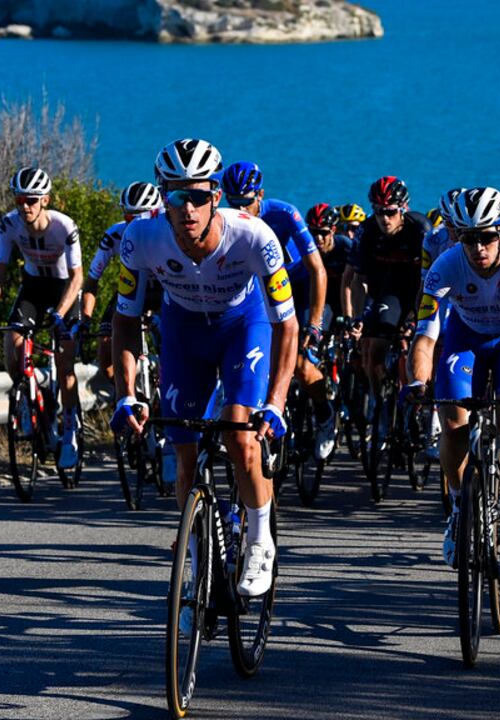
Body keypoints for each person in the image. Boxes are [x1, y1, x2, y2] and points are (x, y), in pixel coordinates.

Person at [110, 138, 297, 598]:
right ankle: (198, 564)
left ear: (217, 196)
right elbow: (125, 321)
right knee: (184, 457)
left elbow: (287, 327)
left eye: (199, 196)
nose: (188, 208)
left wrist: (275, 404)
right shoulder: (139, 239)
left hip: (242, 325)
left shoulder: (254, 236)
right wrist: (126, 393)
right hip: (183, 331)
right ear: (162, 198)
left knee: (239, 435)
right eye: (177, 196)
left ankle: (259, 540)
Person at [404, 187, 500, 589]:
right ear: (457, 236)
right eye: (468, 238)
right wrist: (418, 381)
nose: (478, 247)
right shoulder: (444, 266)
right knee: (452, 416)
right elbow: (424, 339)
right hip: (465, 338)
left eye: (487, 236)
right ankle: (459, 509)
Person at [0, 167, 84, 469]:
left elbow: (77, 278)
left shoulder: (64, 226)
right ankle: (30, 397)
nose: (25, 206)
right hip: (33, 288)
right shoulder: (9, 224)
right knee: (13, 346)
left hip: (64, 290)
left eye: (32, 200)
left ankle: (70, 429)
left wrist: (60, 315)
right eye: (20, 199)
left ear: (45, 200)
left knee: (64, 360)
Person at [220, 161, 335, 459]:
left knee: (299, 363)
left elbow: (317, 271)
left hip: (297, 285)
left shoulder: (284, 214)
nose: (240, 209)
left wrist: (314, 323)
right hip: (260, 289)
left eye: (246, 202)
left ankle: (325, 414)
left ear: (260, 195)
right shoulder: (226, 219)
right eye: (234, 202)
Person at [342, 177, 431, 437]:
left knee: (420, 347)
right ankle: (381, 401)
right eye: (378, 211)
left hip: (417, 293)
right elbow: (357, 281)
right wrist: (357, 318)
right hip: (386, 294)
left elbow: (429, 284)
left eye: (390, 211)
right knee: (372, 347)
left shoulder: (420, 231)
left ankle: (419, 406)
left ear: (403, 208)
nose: (384, 218)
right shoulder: (367, 232)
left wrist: (417, 319)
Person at [80, 182, 163, 380]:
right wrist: (85, 321)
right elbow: (92, 280)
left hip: (164, 290)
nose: (133, 225)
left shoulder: (168, 232)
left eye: (140, 218)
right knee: (105, 352)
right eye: (128, 217)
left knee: (173, 341)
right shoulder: (114, 235)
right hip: (132, 290)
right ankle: (127, 398)